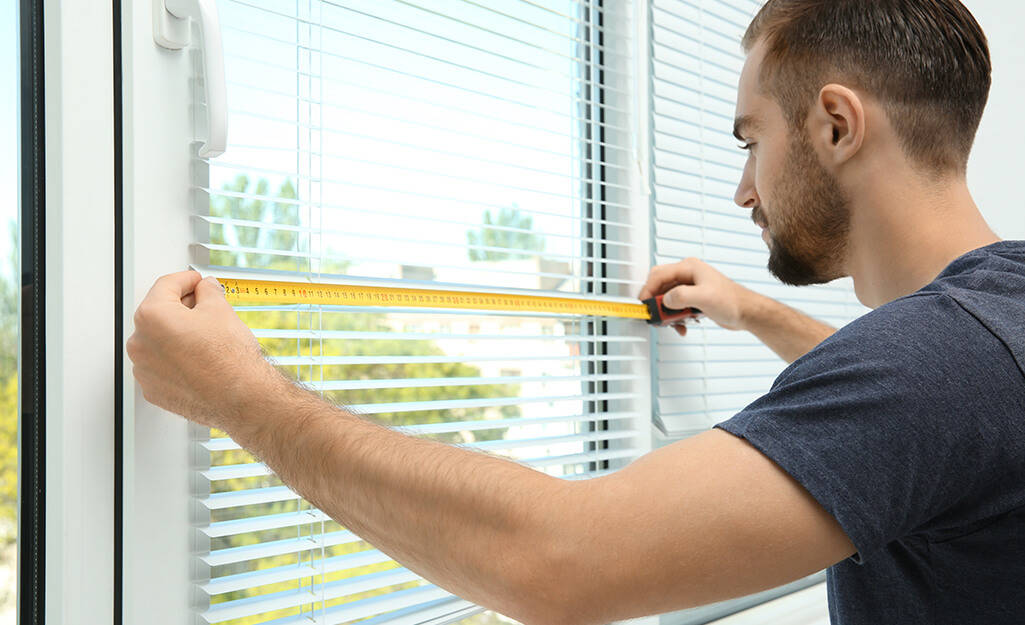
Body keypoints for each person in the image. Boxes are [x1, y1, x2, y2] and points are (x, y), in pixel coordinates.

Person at [127, 1, 1025, 623]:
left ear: (835, 124)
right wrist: (750, 310)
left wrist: (237, 394)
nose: (742, 189)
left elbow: (557, 560)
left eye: (751, 139)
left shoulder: (934, 365)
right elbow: (919, 415)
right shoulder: (993, 321)